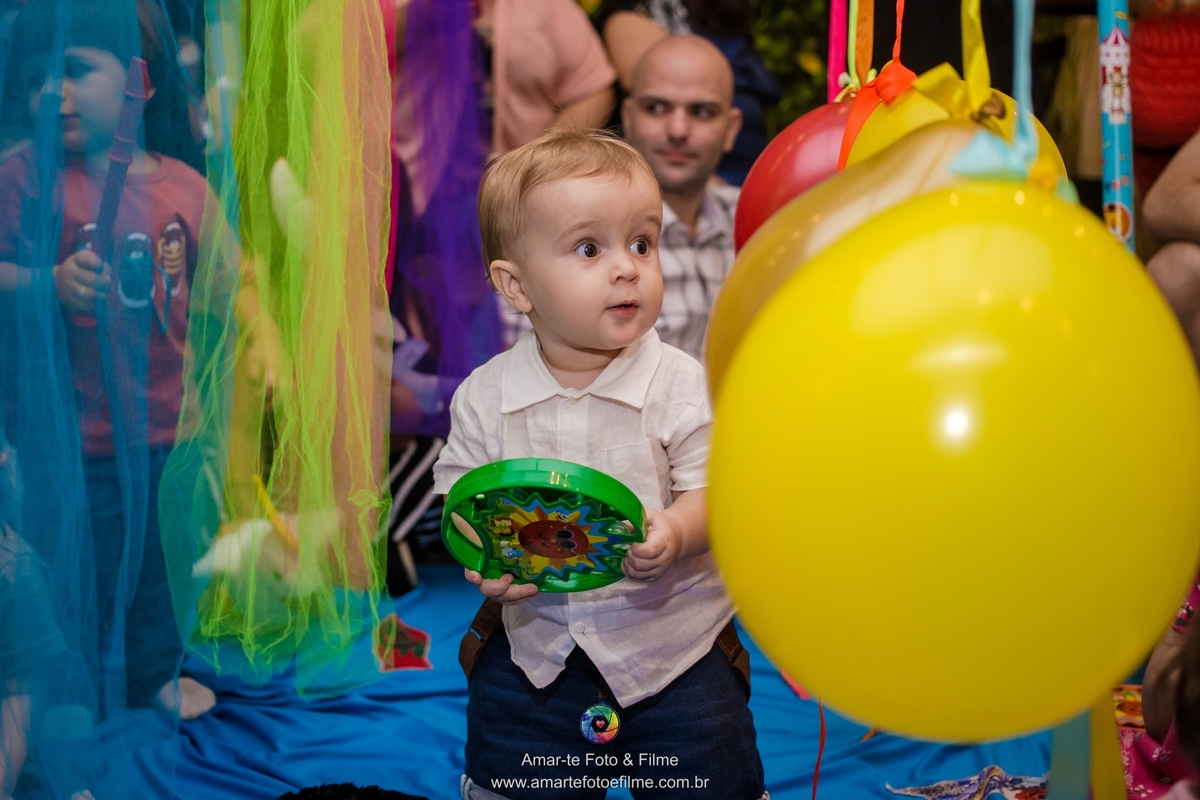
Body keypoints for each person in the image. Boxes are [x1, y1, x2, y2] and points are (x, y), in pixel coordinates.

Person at [433, 128, 765, 800]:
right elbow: (462, 502)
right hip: (538, 648)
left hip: (674, 650)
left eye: (642, 243)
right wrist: (488, 560)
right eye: (590, 247)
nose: (627, 267)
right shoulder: (486, 396)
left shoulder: (680, 384)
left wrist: (675, 532)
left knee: (707, 779)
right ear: (515, 285)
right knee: (514, 774)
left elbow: (716, 493)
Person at [0, 0, 218, 720]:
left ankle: (153, 670)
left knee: (162, 564)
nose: (49, 93)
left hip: (168, 428)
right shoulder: (22, 176)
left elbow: (225, 281)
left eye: (72, 70)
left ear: (139, 84)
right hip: (68, 437)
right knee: (72, 567)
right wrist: (42, 283)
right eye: (35, 79)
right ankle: (75, 690)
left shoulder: (184, 186)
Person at [621, 35, 741, 361]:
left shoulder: (755, 220)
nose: (677, 130)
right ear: (628, 118)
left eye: (701, 111)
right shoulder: (582, 233)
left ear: (731, 129)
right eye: (657, 108)